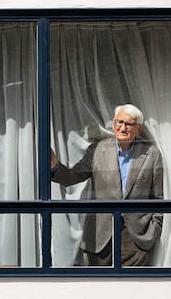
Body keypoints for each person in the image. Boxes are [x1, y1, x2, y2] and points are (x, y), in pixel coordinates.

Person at [50, 104, 163, 266]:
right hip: (99, 240)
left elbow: (159, 199)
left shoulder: (152, 154)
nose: (123, 128)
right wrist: (54, 165)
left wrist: (153, 230)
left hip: (136, 241)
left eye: (129, 124)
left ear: (138, 129)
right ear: (113, 124)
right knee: (96, 289)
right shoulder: (97, 150)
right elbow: (71, 177)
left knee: (135, 289)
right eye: (119, 122)